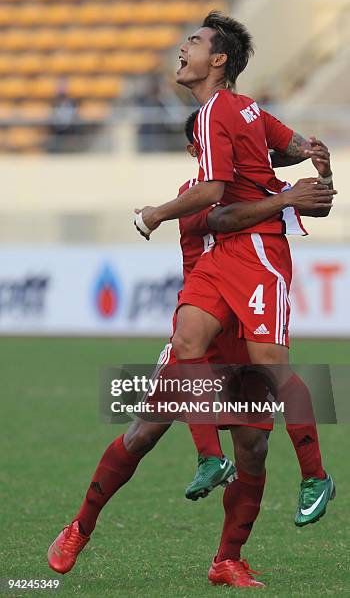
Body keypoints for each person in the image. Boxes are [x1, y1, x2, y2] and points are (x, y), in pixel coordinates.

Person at [48, 113, 335, 587]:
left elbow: (316, 204)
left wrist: (321, 174)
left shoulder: (257, 190)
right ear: (197, 149)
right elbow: (224, 217)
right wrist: (286, 196)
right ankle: (79, 526)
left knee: (253, 448)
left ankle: (227, 558)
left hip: (245, 339)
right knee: (141, 435)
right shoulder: (197, 195)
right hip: (200, 336)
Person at [134, 11, 336, 530]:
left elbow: (210, 195)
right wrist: (314, 156)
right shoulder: (245, 108)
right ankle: (208, 457)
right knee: (187, 339)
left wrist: (156, 213)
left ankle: (315, 475)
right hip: (225, 252)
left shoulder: (214, 113)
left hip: (260, 250)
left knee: (272, 370)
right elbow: (293, 146)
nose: (183, 48)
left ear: (217, 61)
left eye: (194, 42)